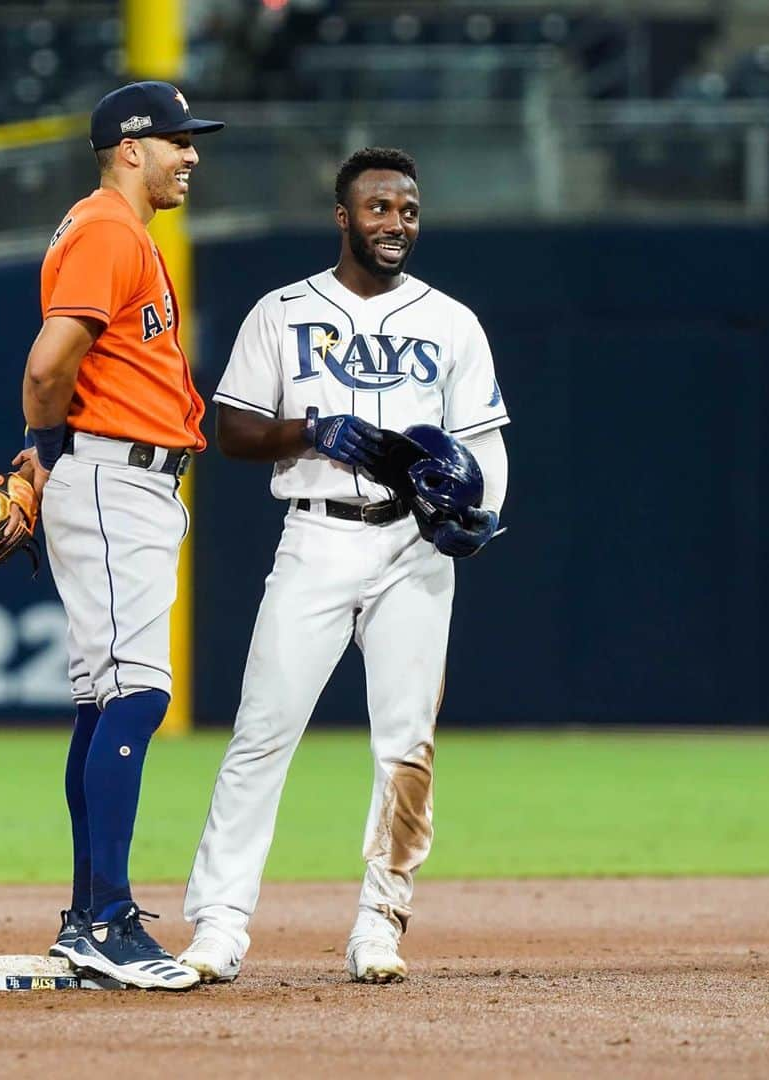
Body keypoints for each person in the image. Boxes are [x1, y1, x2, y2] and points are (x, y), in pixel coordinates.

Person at [177, 147, 510, 984]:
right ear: (343, 217)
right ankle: (219, 926)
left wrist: (481, 517)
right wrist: (310, 430)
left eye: (407, 209)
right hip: (317, 536)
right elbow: (234, 434)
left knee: (407, 746)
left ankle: (380, 924)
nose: (396, 223)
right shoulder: (282, 312)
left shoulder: (452, 322)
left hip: (413, 550)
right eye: (379, 208)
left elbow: (482, 445)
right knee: (262, 733)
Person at [14, 81, 223, 991]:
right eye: (178, 140)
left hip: (118, 477)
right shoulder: (106, 229)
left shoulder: (110, 229)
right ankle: (105, 922)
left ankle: (85, 916)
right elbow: (47, 362)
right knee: (136, 694)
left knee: (107, 697)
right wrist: (44, 447)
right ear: (130, 148)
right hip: (111, 476)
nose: (191, 154)